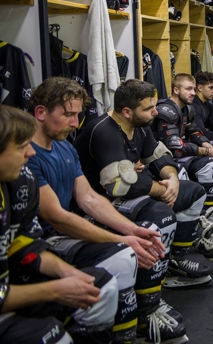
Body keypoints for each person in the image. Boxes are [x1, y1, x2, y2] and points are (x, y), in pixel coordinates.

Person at [73, 80, 213, 317]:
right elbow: (119, 185)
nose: (155, 112)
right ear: (127, 111)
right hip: (99, 204)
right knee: (161, 214)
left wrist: (172, 179)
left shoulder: (140, 125)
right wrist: (159, 190)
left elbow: (160, 157)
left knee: (193, 192)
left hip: (126, 195)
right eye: (148, 108)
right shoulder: (105, 131)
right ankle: (148, 302)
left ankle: (175, 263)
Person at [26, 77, 164, 344]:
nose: (75, 123)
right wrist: (122, 239)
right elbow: (56, 217)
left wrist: (131, 230)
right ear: (40, 112)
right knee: (123, 253)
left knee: (144, 236)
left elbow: (88, 197)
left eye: (78, 115)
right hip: (42, 241)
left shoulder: (65, 146)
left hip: (63, 231)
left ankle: (131, 327)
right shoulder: (26, 155)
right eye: (68, 115)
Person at [0, 105, 117, 344]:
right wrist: (55, 290)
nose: (30, 153)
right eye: (21, 147)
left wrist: (68, 273)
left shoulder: (20, 181)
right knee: (49, 334)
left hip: (11, 283)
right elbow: (56, 216)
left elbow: (26, 246)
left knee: (100, 285)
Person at [152, 73, 213, 219]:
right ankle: (196, 216)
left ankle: (212, 208)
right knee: (205, 163)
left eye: (193, 89)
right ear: (176, 90)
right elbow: (176, 148)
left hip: (179, 154)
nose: (193, 93)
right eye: (188, 89)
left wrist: (209, 147)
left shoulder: (187, 109)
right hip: (162, 160)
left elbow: (195, 132)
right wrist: (206, 151)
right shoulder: (166, 111)